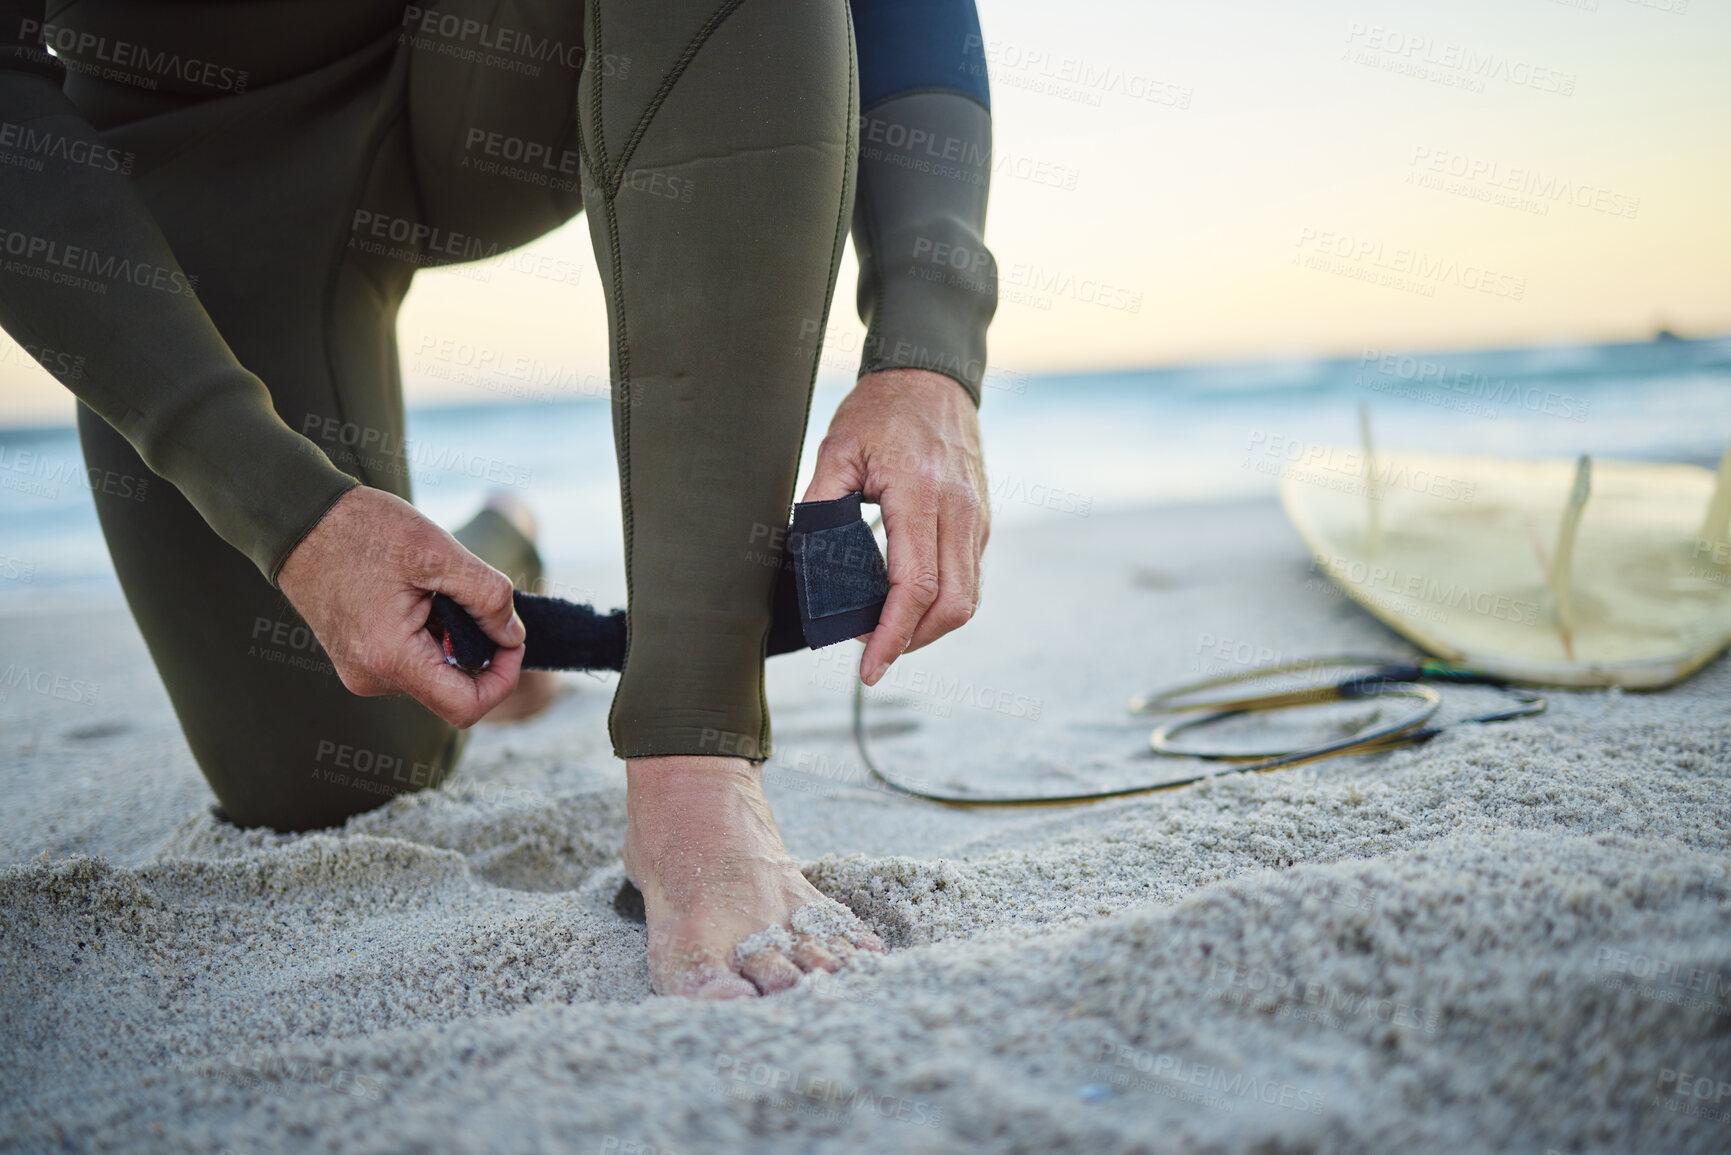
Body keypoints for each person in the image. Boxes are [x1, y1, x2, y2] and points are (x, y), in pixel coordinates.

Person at [0, 0, 997, 999]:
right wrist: (288, 513)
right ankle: (496, 557)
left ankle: (697, 771)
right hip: (203, 145)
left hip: (511, 62)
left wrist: (929, 346)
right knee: (322, 774)